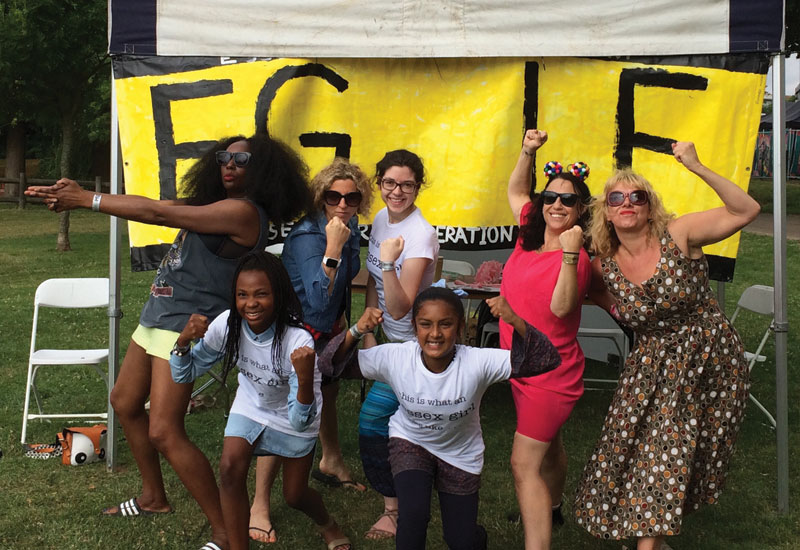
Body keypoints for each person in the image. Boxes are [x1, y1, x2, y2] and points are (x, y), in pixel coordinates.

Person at [25, 133, 311, 550]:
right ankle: (154, 497)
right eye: (223, 158)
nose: (229, 165)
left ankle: (223, 530)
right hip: (158, 316)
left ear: (263, 168)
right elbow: (159, 205)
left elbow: (158, 213)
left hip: (183, 328)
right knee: (124, 400)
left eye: (241, 159)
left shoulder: (244, 213)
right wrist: (84, 196)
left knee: (164, 430)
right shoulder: (212, 206)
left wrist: (88, 199)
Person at [573, 141, 761, 550]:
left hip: (708, 361)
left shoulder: (680, 234)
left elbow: (746, 210)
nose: (627, 203)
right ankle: (649, 539)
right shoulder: (602, 264)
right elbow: (610, 305)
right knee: (632, 448)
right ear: (605, 211)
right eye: (616, 198)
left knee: (670, 452)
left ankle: (648, 539)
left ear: (648, 205)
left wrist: (696, 165)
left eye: (636, 196)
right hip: (651, 365)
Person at [319, 287, 562, 550]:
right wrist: (356, 330)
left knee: (462, 541)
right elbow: (330, 365)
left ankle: (474, 538)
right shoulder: (396, 357)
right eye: (426, 325)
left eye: (445, 325)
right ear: (414, 327)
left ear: (459, 328)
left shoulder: (477, 362)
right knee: (412, 518)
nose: (435, 334)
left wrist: (514, 320)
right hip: (411, 442)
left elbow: (545, 360)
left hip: (460, 452)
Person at [170, 251, 351, 550]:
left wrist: (305, 378)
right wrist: (183, 341)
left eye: (261, 294)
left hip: (294, 415)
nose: (250, 303)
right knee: (229, 469)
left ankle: (327, 524)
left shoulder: (298, 341)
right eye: (242, 294)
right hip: (252, 404)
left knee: (295, 495)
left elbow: (299, 418)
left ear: (278, 295)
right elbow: (185, 372)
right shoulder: (228, 324)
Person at [248, 158, 373, 543]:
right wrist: (333, 247)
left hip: (324, 329)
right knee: (283, 414)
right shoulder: (311, 237)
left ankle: (331, 459)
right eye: (334, 196)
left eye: (351, 198)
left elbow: (336, 296)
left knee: (328, 393)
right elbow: (318, 300)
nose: (342, 204)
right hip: (298, 331)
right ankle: (259, 504)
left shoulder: (349, 231)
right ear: (321, 197)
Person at [501, 129, 592, 549]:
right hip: (521, 365)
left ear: (580, 208)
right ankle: (552, 508)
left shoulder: (578, 255)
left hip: (551, 374)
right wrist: (526, 151)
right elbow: (517, 188)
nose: (557, 204)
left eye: (568, 199)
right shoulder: (528, 235)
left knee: (523, 464)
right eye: (551, 197)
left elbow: (561, 308)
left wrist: (571, 256)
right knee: (549, 447)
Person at [358, 149, 439, 540]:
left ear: (418, 186)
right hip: (390, 341)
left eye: (407, 184)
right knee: (401, 423)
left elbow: (403, 302)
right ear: (379, 183)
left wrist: (390, 263)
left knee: (375, 420)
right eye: (390, 183)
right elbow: (375, 282)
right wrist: (371, 328)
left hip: (421, 349)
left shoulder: (420, 234)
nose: (398, 191)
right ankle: (407, 497)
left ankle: (395, 509)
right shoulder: (379, 220)